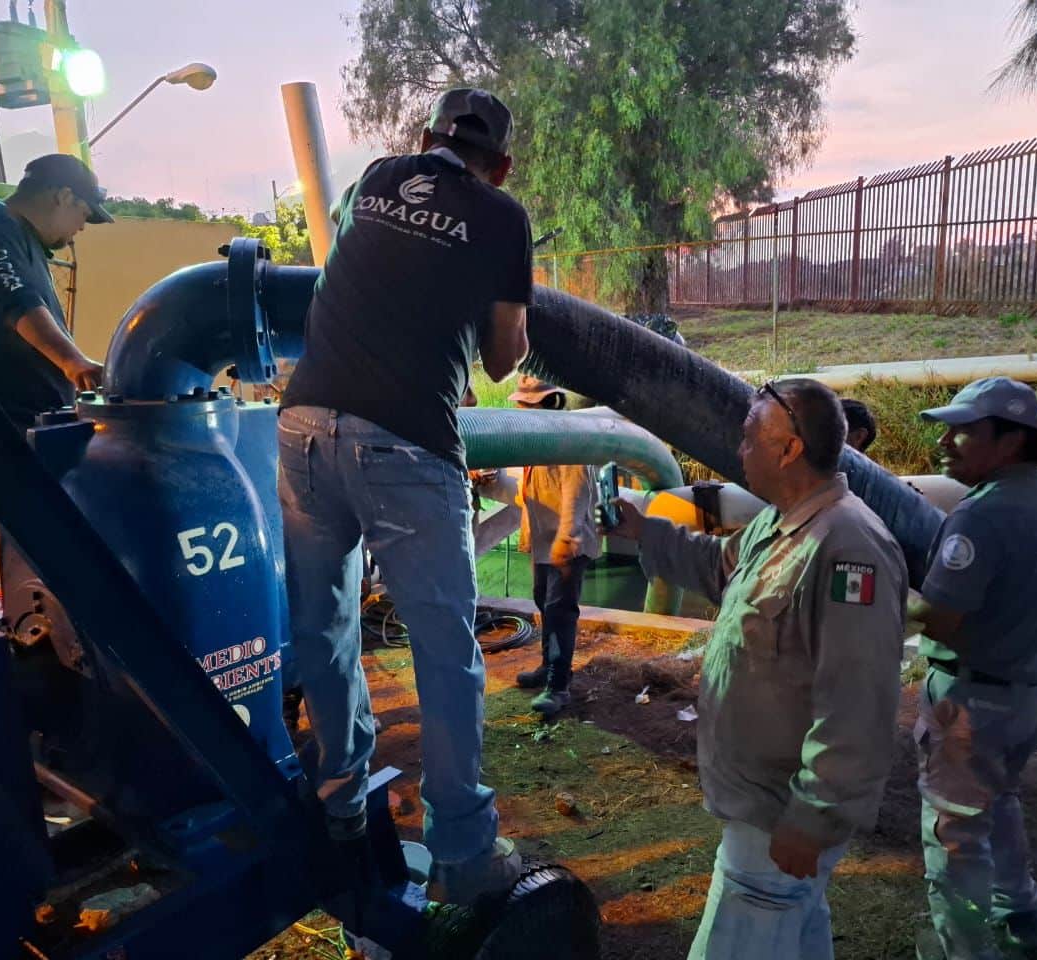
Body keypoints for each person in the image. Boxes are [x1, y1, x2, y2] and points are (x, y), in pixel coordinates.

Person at [276, 88, 532, 905]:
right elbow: (501, 358)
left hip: (303, 424)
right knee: (447, 651)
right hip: (407, 440)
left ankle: (341, 802)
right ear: (500, 164)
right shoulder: (502, 218)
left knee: (325, 623)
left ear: (425, 137)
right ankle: (461, 853)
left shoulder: (378, 175)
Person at [608, 378, 908, 960]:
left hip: (781, 816)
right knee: (794, 928)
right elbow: (720, 566)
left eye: (749, 438)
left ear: (789, 449)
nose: (739, 450)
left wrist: (815, 815)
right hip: (761, 799)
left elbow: (858, 699)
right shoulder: (780, 523)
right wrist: (644, 530)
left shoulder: (847, 546)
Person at [910, 377, 1037, 960]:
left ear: (1012, 441)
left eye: (965, 431)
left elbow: (941, 620)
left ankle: (966, 948)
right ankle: (1022, 919)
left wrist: (895, 595)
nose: (947, 443)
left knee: (955, 831)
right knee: (1000, 801)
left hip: (975, 704)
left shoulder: (981, 517)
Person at [0, 153, 110, 434]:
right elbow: (15, 299)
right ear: (64, 197)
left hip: (39, 425)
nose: (80, 227)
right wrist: (74, 363)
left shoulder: (24, 241)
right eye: (84, 215)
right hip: (6, 429)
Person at [508, 376, 601, 719]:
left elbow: (576, 495)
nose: (519, 409)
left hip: (566, 542)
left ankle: (559, 686)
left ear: (548, 404)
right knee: (542, 602)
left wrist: (567, 538)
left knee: (560, 611)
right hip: (545, 541)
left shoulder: (568, 440)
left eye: (525, 404)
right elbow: (530, 490)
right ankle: (548, 667)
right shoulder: (535, 441)